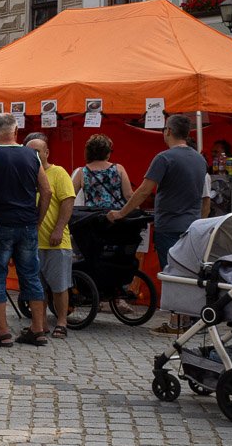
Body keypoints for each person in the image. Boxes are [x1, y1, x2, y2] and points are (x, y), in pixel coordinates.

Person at [108, 113, 210, 333]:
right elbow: (204, 198)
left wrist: (122, 213)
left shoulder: (164, 158)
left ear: (169, 131)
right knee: (189, 273)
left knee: (171, 273)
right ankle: (189, 319)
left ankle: (177, 322)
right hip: (192, 226)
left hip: (170, 225)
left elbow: (144, 190)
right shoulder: (199, 159)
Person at [0, 113, 51, 347]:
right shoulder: (32, 155)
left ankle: (3, 333)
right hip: (26, 224)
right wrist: (38, 219)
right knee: (31, 276)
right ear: (16, 131)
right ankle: (38, 329)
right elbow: (46, 191)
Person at [25, 133, 74, 339]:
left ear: (47, 153)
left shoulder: (58, 173)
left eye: (38, 151)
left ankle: (61, 322)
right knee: (37, 287)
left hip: (56, 242)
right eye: (30, 152)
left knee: (59, 286)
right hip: (32, 242)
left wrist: (58, 229)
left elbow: (68, 202)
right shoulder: (26, 175)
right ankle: (41, 323)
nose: (34, 155)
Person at [72, 134, 133, 210]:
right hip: (116, 214)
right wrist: (137, 211)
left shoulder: (82, 172)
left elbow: (70, 196)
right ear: (107, 152)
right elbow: (128, 195)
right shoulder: (118, 168)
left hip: (92, 215)